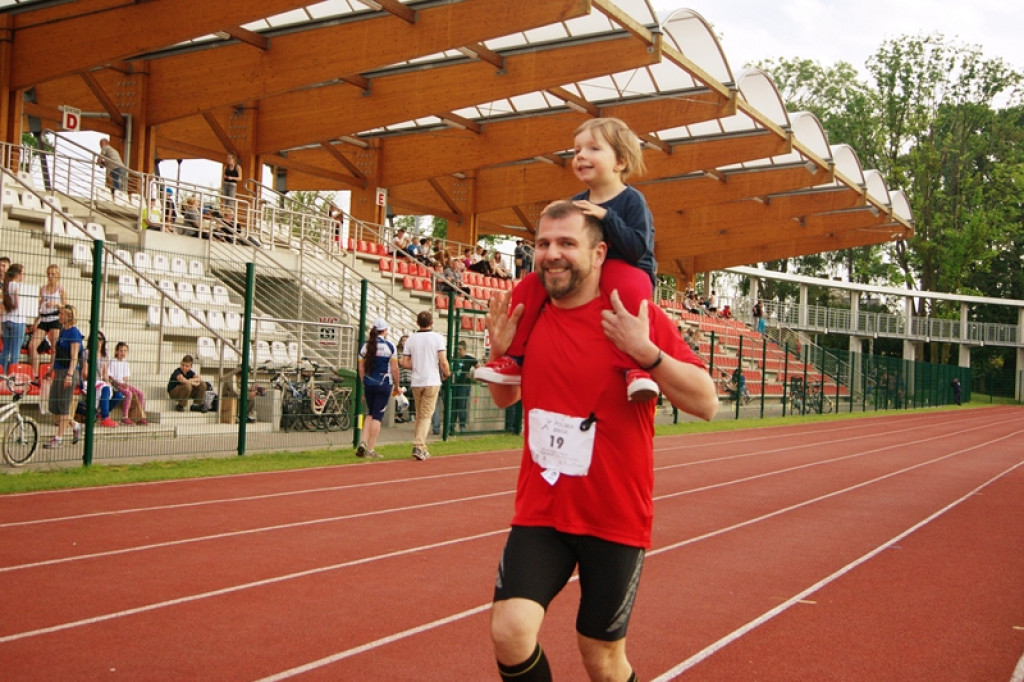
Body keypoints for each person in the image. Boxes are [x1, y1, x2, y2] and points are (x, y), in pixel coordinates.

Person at [483, 201, 718, 682]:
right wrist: (499, 352)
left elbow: (707, 402)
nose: (552, 254)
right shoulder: (531, 316)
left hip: (614, 515)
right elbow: (504, 399)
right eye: (544, 244)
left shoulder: (634, 317)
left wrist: (647, 354)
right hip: (542, 509)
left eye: (567, 243)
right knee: (510, 631)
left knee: (602, 660)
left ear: (599, 252)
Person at [476, 118, 659, 402]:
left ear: (620, 161)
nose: (581, 156)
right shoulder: (576, 202)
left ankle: (634, 369)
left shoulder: (632, 200)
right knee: (530, 284)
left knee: (629, 284)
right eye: (576, 151)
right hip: (586, 270)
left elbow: (638, 249)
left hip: (625, 268)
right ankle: (514, 360)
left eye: (593, 148)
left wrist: (607, 217)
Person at [399, 310, 450, 460]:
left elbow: (404, 362)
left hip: (417, 380)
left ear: (417, 323)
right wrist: (447, 372)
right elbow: (443, 360)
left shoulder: (411, 340)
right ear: (432, 323)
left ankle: (421, 446)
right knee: (427, 415)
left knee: (420, 414)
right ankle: (418, 444)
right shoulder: (437, 338)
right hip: (431, 379)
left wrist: (417, 365)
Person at [356, 318, 399, 459]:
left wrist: (364, 383)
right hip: (384, 384)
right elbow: (395, 369)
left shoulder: (364, 346)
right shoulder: (390, 346)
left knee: (369, 412)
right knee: (377, 416)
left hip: (369, 383)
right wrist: (397, 385)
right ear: (385, 331)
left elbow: (361, 368)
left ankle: (362, 441)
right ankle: (370, 449)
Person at [43, 305, 84, 449]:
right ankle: (74, 424)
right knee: (55, 405)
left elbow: (74, 357)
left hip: (68, 371)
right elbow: (57, 352)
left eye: (62, 314)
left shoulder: (74, 333)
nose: (59, 316)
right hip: (59, 370)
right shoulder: (62, 331)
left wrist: (69, 375)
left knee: (64, 406)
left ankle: (58, 437)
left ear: (69, 316)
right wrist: (51, 368)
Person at [29, 264, 66, 379]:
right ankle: (34, 373)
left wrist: (55, 304)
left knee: (54, 346)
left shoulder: (60, 290)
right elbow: (40, 306)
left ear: (58, 276)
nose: (50, 276)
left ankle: (51, 371)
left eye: (53, 274)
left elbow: (65, 307)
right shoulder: (43, 289)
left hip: (55, 318)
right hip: (44, 318)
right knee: (32, 345)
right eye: (49, 274)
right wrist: (36, 321)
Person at [78, 332, 121, 428]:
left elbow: (105, 373)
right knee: (104, 389)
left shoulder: (104, 355)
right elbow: (85, 373)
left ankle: (101, 414)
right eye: (96, 338)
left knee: (118, 395)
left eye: (100, 339)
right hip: (89, 381)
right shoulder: (87, 353)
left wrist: (108, 382)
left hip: (101, 381)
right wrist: (100, 382)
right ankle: (105, 418)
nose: (98, 341)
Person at [108, 341, 148, 425]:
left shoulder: (125, 363)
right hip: (116, 384)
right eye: (121, 350)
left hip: (123, 384)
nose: (123, 353)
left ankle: (140, 415)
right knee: (128, 393)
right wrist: (120, 384)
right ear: (116, 351)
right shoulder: (113, 361)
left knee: (140, 394)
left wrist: (125, 384)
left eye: (125, 351)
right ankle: (125, 417)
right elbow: (110, 377)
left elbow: (126, 378)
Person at [2, 263, 26, 371]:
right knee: (15, 351)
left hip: (6, 319)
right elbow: (17, 303)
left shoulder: (7, 285)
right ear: (17, 274)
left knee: (6, 349)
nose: (24, 276)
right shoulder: (17, 285)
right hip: (18, 320)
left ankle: (1, 372)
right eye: (23, 273)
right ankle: (12, 375)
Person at [451, 340, 477, 431]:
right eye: (456, 349)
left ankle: (462, 426)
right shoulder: (454, 358)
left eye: (460, 349)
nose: (458, 351)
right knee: (453, 405)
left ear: (464, 349)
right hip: (454, 385)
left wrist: (473, 376)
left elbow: (478, 366)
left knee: (462, 405)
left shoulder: (469, 358)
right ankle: (452, 425)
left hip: (464, 385)